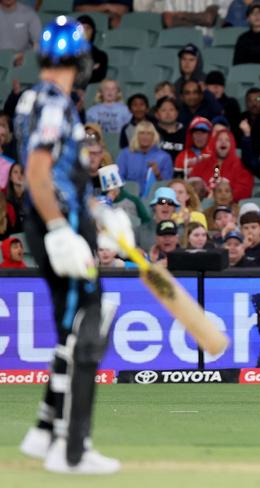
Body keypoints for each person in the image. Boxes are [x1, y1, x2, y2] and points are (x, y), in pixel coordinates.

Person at [14, 17, 136, 474]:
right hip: (57, 223)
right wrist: (62, 228)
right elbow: (40, 173)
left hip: (61, 219)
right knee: (89, 322)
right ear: (78, 60)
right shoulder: (51, 101)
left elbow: (65, 172)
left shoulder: (35, 96)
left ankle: (45, 428)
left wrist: (100, 215)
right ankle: (72, 450)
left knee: (75, 325)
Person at [116, 120, 173, 197]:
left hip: (155, 198)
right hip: (129, 196)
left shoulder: (164, 157)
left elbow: (167, 185)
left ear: (154, 136)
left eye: (149, 134)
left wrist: (158, 174)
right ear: (136, 136)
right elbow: (119, 179)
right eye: (141, 133)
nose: (145, 137)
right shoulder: (125, 154)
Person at [76, 15, 107, 85]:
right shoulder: (65, 52)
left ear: (93, 32)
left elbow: (98, 77)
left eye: (87, 28)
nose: (84, 31)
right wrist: (90, 69)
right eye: (80, 28)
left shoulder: (100, 56)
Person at [154, 96, 186, 163]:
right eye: (163, 110)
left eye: (171, 110)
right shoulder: (151, 133)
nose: (168, 113)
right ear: (157, 114)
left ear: (177, 113)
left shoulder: (186, 133)